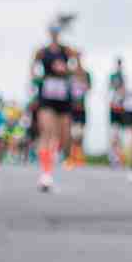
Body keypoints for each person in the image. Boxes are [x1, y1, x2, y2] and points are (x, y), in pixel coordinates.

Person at [32, 19, 75, 191]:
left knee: (63, 135)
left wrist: (66, 70)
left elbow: (78, 70)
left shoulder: (67, 50)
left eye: (57, 31)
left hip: (63, 96)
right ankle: (46, 173)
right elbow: (32, 69)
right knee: (47, 131)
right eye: (52, 31)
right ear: (49, 33)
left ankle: (57, 155)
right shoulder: (41, 52)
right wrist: (38, 80)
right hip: (47, 95)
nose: (55, 34)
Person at [67, 52, 92, 168]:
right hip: (70, 108)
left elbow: (88, 88)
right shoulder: (69, 74)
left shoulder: (86, 74)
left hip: (81, 108)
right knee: (72, 134)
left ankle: (79, 157)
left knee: (80, 134)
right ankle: (71, 157)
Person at [108, 57, 127, 167]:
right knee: (114, 133)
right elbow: (110, 90)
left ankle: (120, 156)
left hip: (123, 109)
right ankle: (114, 157)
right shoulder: (113, 77)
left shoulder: (125, 77)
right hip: (114, 109)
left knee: (121, 135)